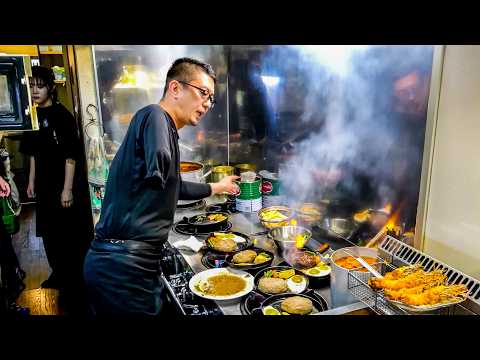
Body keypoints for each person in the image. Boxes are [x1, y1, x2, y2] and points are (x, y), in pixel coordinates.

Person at [83, 57, 239, 316]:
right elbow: (160, 164)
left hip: (128, 265)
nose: (207, 104)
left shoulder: (165, 129)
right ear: (175, 88)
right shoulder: (155, 115)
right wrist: (160, 161)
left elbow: (172, 186)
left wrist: (217, 187)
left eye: (211, 98)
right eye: (203, 93)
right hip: (122, 269)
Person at [19, 66, 93, 314]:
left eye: (39, 85)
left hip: (64, 183)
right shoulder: (31, 115)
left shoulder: (62, 116)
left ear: (50, 87)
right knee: (49, 234)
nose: (35, 91)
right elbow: (31, 154)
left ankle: (75, 285)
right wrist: (30, 181)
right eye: (31, 86)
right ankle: (58, 274)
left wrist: (67, 189)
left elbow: (71, 155)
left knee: (67, 236)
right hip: (43, 184)